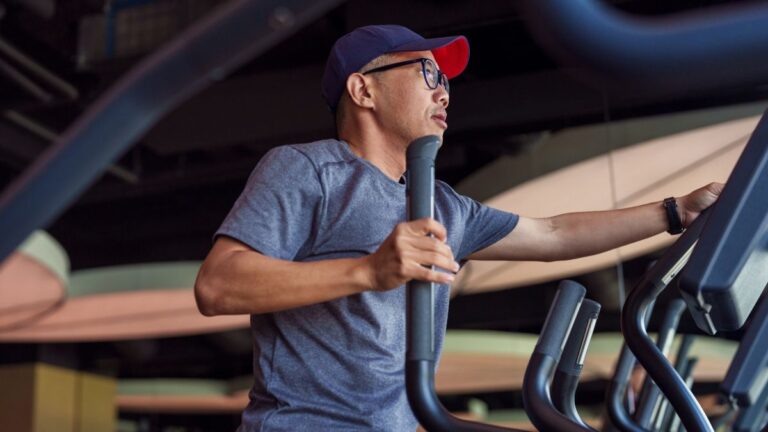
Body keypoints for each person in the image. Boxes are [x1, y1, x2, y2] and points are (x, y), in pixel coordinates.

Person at [194, 24, 722, 431]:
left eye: (445, 81)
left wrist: (675, 211)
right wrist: (368, 271)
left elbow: (555, 234)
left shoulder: (442, 206)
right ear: (363, 89)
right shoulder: (308, 170)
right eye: (426, 73)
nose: (444, 92)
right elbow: (218, 286)